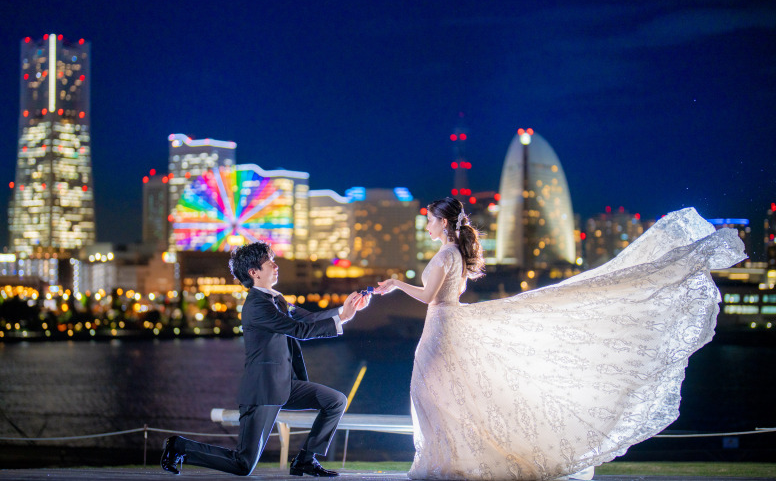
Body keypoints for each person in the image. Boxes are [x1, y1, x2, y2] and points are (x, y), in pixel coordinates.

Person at [375, 198, 745, 480]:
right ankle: (450, 459)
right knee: (445, 393)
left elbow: (429, 297)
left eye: (429, 219)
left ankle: (444, 461)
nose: (427, 225)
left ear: (443, 222)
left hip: (440, 327)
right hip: (447, 324)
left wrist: (395, 284)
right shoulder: (457, 254)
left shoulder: (445, 255)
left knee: (431, 392)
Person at [161, 241, 370, 477]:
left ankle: (305, 460)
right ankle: (179, 447)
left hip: (284, 384)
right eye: (269, 262)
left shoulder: (275, 300)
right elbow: (299, 330)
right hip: (262, 391)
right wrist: (343, 318)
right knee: (243, 464)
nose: (275, 265)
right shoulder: (258, 305)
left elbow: (308, 319)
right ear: (254, 272)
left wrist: (345, 311)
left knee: (335, 401)